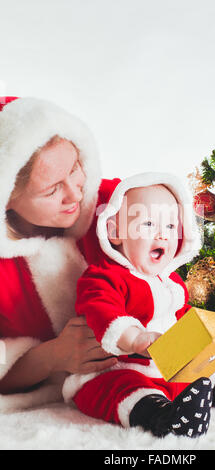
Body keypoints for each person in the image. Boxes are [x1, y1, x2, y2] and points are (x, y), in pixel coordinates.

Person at [62, 173, 215, 438]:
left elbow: (182, 316)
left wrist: (207, 335)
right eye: (147, 224)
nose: (163, 235)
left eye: (171, 227)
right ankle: (162, 416)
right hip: (120, 368)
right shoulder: (105, 276)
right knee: (125, 387)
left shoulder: (171, 284)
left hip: (169, 369)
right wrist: (136, 339)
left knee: (203, 374)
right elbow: (101, 309)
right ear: (114, 232)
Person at [0, 96, 117, 412]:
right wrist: (54, 355)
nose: (76, 193)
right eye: (51, 190)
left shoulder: (113, 205)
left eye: (76, 168)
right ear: (5, 198)